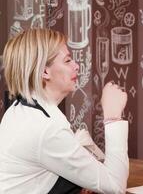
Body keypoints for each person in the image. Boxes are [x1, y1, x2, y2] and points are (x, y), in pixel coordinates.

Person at [0, 29, 129, 193]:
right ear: (44, 72)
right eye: (67, 61)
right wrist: (113, 117)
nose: (76, 66)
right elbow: (115, 186)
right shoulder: (46, 127)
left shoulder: (19, 109)